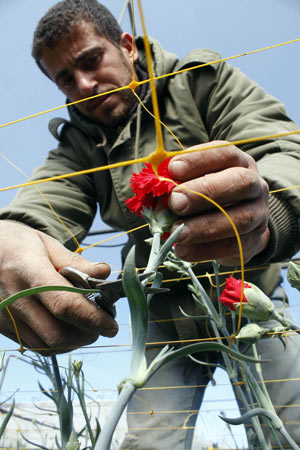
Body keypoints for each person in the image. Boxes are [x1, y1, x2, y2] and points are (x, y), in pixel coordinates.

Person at [0, 0, 300, 448]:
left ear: (127, 45)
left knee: (289, 431)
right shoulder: (78, 146)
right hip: (160, 317)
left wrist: (269, 213)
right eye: (66, 79)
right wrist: (9, 237)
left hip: (247, 293)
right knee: (149, 444)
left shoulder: (202, 81)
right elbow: (42, 207)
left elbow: (284, 150)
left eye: (90, 60)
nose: (84, 84)